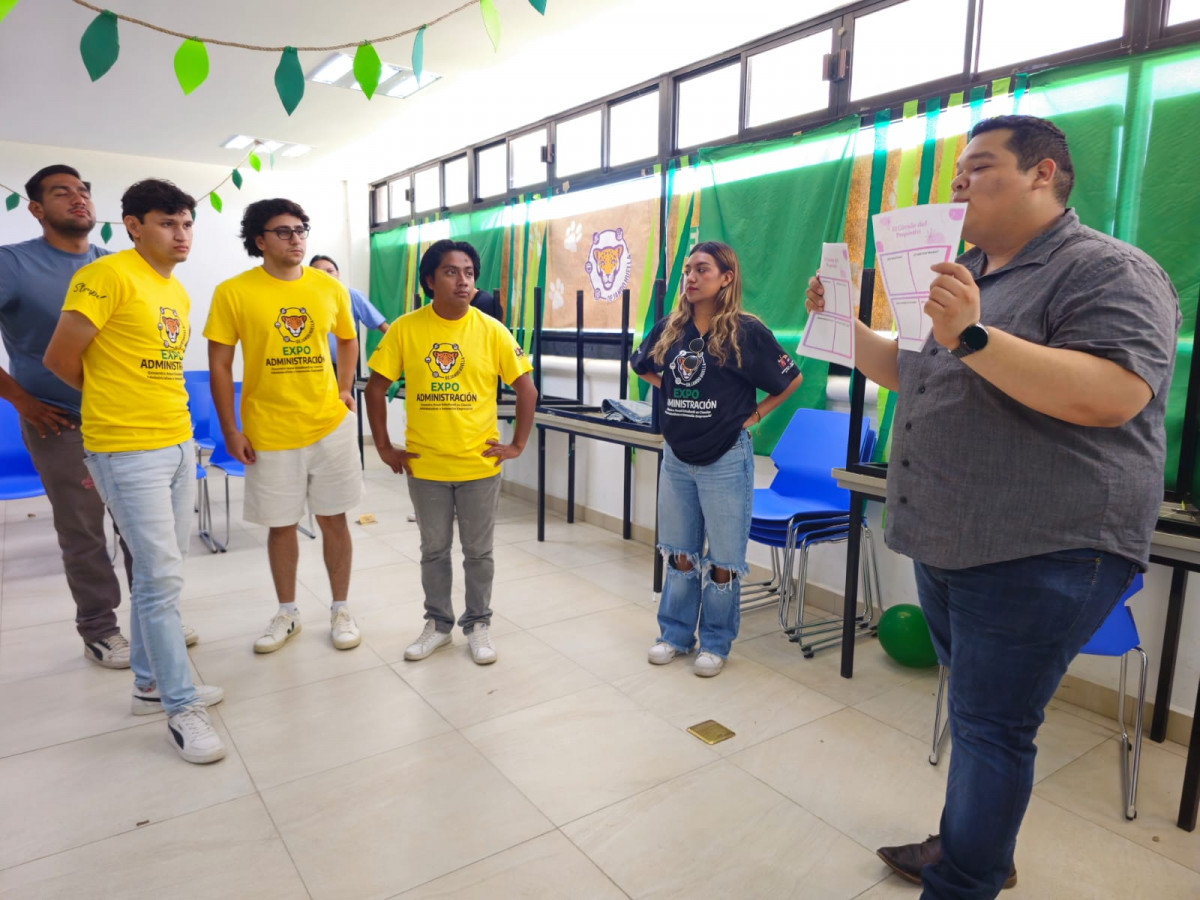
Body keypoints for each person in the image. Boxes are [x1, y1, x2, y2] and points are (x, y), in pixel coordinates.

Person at [805, 115, 1179, 898]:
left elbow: (1114, 394)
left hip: (1042, 544)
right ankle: (978, 849)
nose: (958, 183)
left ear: (1044, 173)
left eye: (978, 167)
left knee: (990, 726)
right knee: (978, 716)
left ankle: (965, 876)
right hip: (952, 535)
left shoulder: (1106, 269)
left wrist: (971, 334)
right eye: (955, 173)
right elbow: (913, 371)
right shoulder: (963, 273)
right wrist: (843, 325)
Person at [43, 179, 225, 764]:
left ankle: (149, 683)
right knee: (161, 576)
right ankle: (180, 705)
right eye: (168, 223)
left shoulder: (174, 290)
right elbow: (59, 359)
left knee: (161, 573)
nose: (181, 234)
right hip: (125, 448)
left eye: (187, 224)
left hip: (177, 442)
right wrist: (112, 398)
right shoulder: (106, 276)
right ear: (133, 226)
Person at [0, 165, 197, 669]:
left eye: (83, 190)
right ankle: (100, 628)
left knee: (141, 531)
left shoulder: (116, 264)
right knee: (84, 529)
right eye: (61, 192)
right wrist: (21, 400)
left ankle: (154, 619)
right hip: (58, 420)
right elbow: (60, 356)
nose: (78, 198)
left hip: (129, 423)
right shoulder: (13, 263)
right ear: (36, 209)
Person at [631, 241, 801, 677]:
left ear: (726, 278)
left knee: (724, 561)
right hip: (676, 456)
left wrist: (754, 416)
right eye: (687, 269)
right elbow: (642, 365)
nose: (690, 277)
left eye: (701, 269)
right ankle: (674, 635)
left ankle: (715, 642)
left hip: (725, 457)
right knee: (680, 553)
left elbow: (791, 379)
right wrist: (671, 390)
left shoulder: (746, 331)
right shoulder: (671, 327)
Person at [364, 239, 536, 665]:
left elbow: (527, 389)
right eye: (451, 272)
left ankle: (477, 624)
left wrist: (516, 444)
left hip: (479, 465)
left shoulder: (492, 330)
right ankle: (439, 625)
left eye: (469, 273)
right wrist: (383, 445)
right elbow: (375, 388)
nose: (463, 281)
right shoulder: (406, 329)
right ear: (429, 280)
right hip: (426, 466)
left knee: (479, 553)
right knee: (434, 551)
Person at [205, 200, 364, 655]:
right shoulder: (233, 292)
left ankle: (341, 609)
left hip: (328, 425)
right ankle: (287, 611)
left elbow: (348, 338)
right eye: (283, 231)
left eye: (301, 229)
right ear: (259, 240)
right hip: (269, 429)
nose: (296, 238)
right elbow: (220, 365)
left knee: (334, 519)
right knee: (281, 525)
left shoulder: (328, 287)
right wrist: (231, 430)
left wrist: (344, 387)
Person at [309, 253, 389, 375]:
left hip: (342, 367)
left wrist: (401, 346)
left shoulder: (351, 295)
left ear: (338, 274)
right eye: (319, 272)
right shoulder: (305, 299)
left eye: (330, 271)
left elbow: (383, 327)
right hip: (312, 366)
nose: (326, 275)